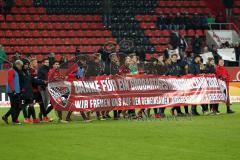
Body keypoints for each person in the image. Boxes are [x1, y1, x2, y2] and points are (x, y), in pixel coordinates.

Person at [21, 59, 46, 123]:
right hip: (31, 90)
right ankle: (27, 118)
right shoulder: (29, 71)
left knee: (33, 103)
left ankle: (33, 118)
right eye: (35, 62)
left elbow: (34, 80)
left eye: (37, 62)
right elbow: (32, 81)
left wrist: (42, 81)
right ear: (31, 63)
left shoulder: (32, 70)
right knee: (27, 104)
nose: (36, 63)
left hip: (35, 89)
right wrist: (41, 82)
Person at [2, 60, 23, 124]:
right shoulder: (11, 71)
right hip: (12, 91)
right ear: (17, 65)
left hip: (15, 91)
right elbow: (10, 81)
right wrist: (13, 91)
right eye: (20, 66)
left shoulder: (14, 71)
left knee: (15, 106)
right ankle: (13, 120)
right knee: (15, 106)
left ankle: (6, 116)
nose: (21, 67)